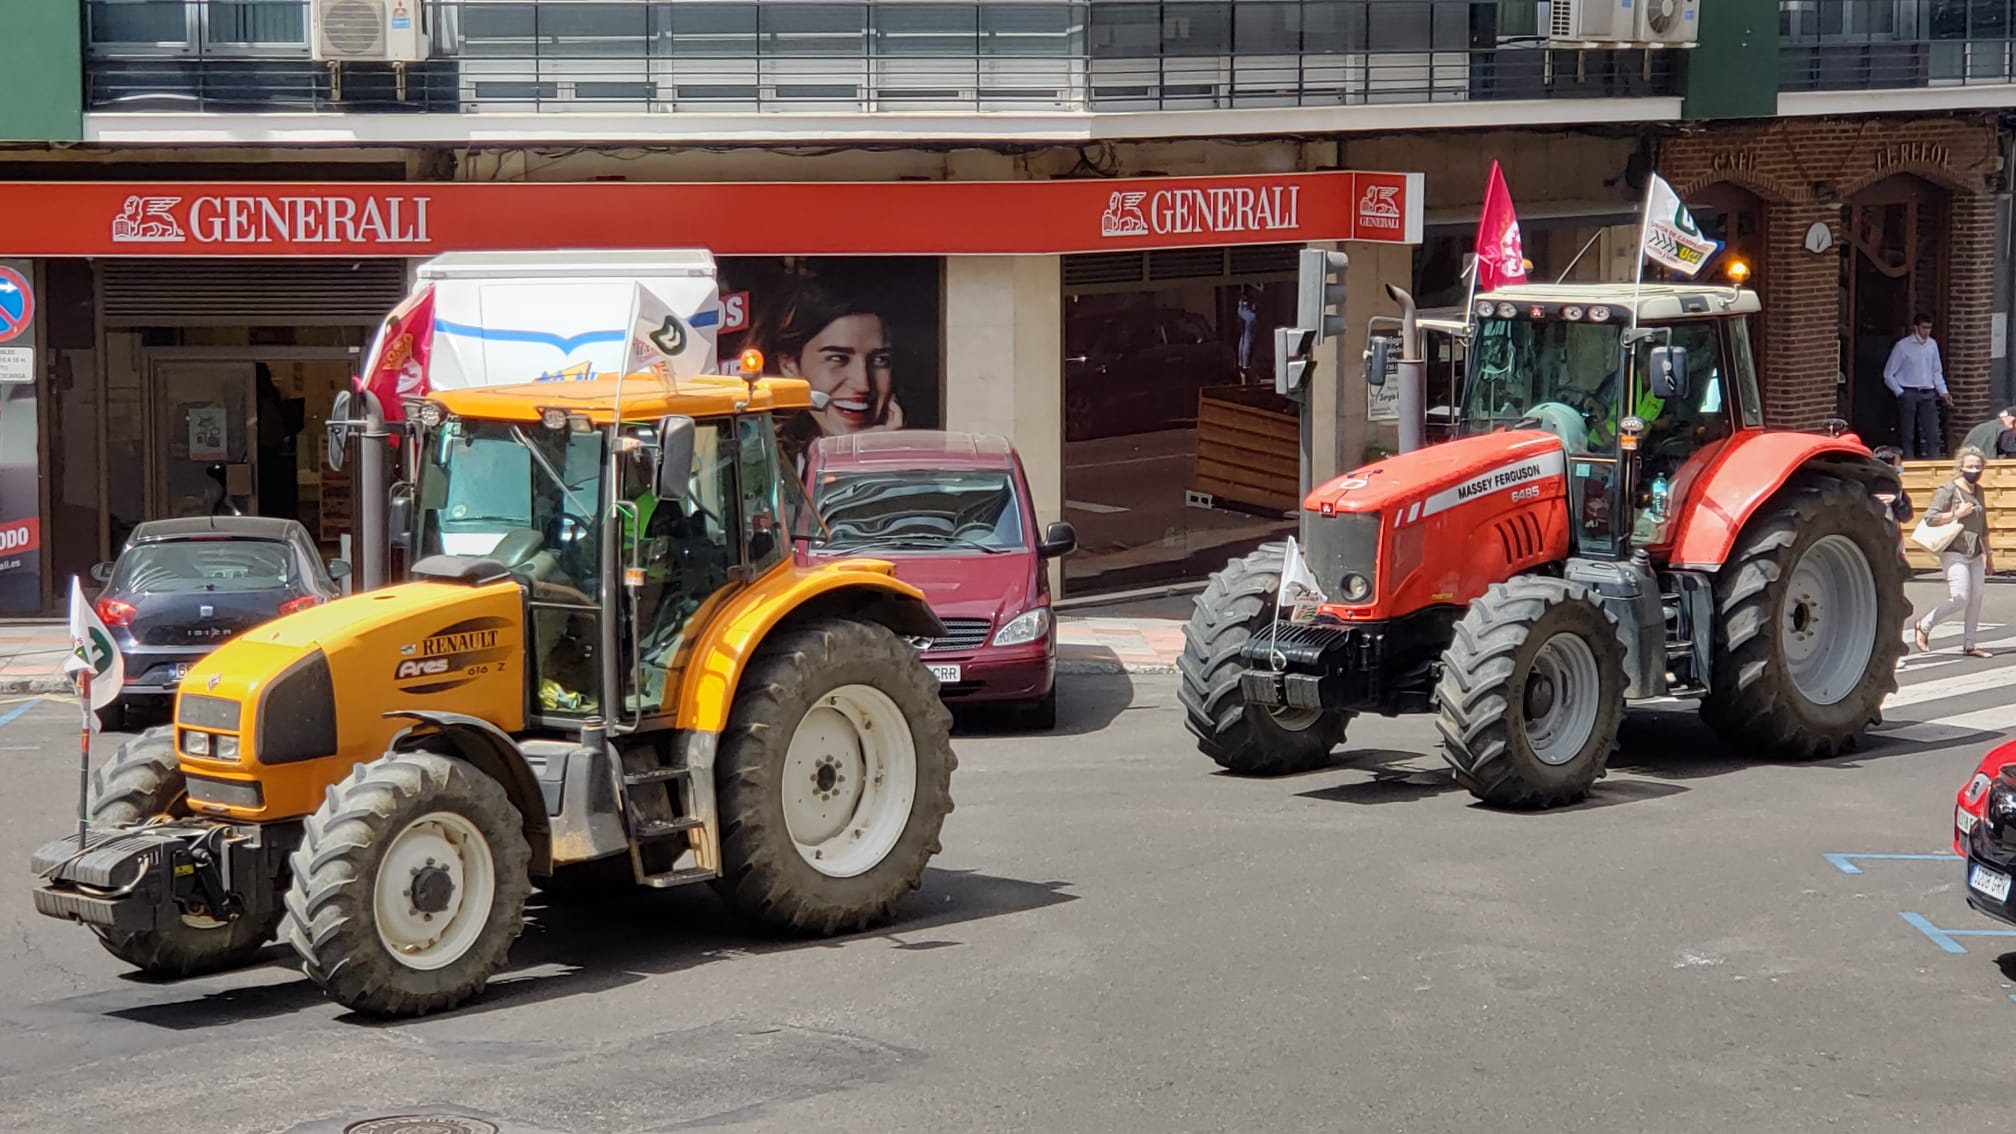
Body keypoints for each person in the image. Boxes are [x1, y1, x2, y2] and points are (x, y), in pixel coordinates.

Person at [1914, 446, 1994, 658]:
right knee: (1960, 597)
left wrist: (1990, 554)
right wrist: (1956, 513)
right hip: (1954, 550)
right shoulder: (1949, 489)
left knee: (1976, 597)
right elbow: (1931, 517)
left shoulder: (1979, 491)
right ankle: (1924, 624)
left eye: (1978, 466)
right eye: (1969, 466)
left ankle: (1970, 644)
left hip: (1975, 550)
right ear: (1961, 467)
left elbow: (1983, 524)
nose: (1974, 470)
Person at [1884, 313, 1950, 460]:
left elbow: (1936, 371)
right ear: (1916, 328)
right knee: (1908, 433)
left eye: (1929, 328)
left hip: (1928, 392)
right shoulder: (1903, 346)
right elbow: (1889, 373)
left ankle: (1935, 463)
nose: (1927, 331)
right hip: (1909, 391)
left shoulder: (1932, 345)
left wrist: (1943, 391)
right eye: (1924, 327)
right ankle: (1909, 463)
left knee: (1932, 432)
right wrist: (1900, 392)